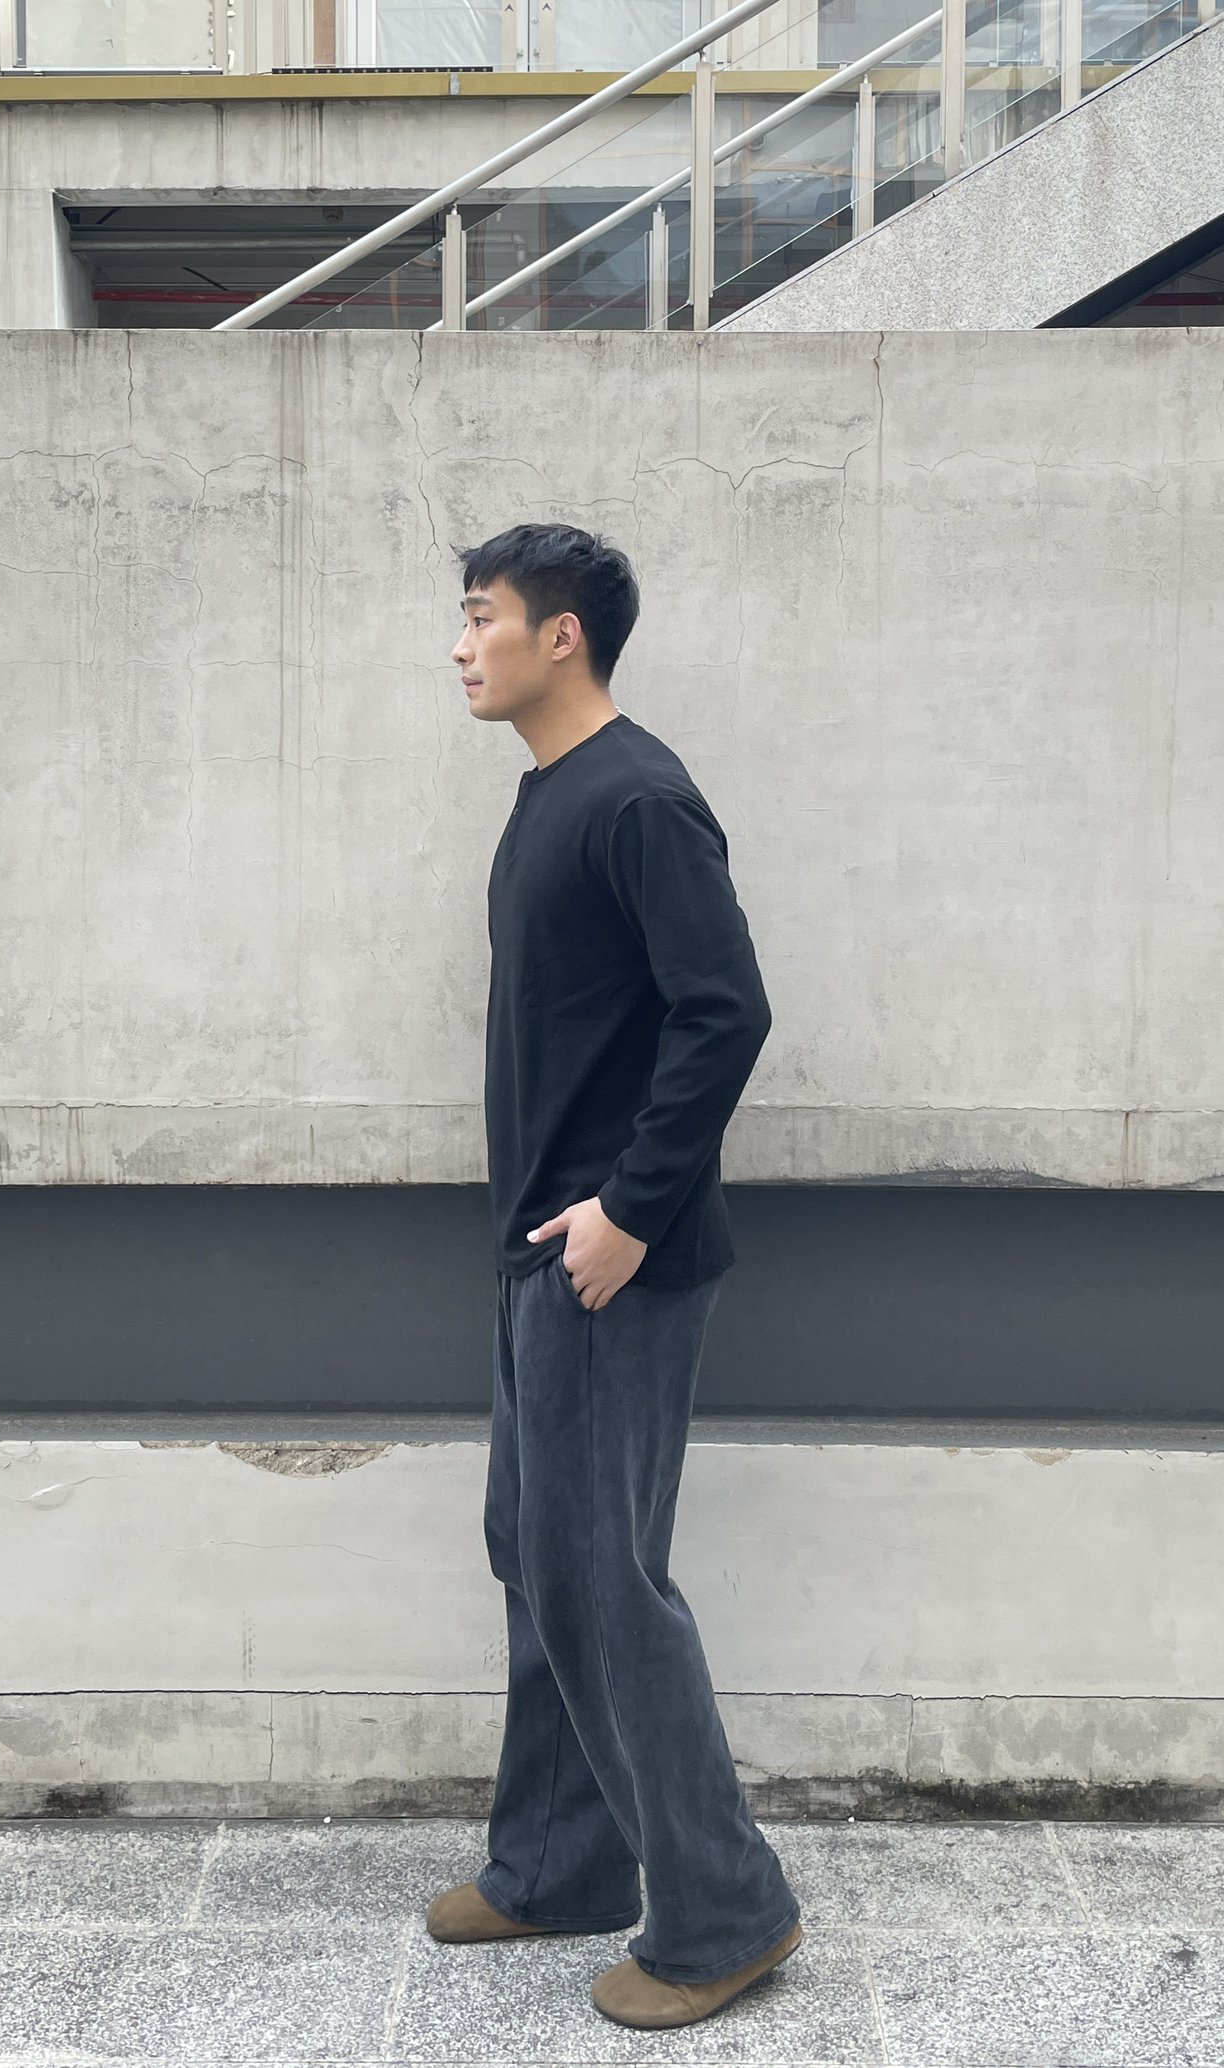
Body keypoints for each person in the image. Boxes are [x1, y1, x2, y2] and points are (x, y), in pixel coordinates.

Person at [425, 520, 801, 2032]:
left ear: (560, 634)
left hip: (611, 1265)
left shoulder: (638, 798)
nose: (460, 644)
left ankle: (725, 1913)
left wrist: (630, 1212)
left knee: (603, 1582)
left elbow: (728, 1011)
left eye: (481, 616)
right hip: (541, 1253)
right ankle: (561, 1863)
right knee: (536, 1555)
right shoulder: (550, 795)